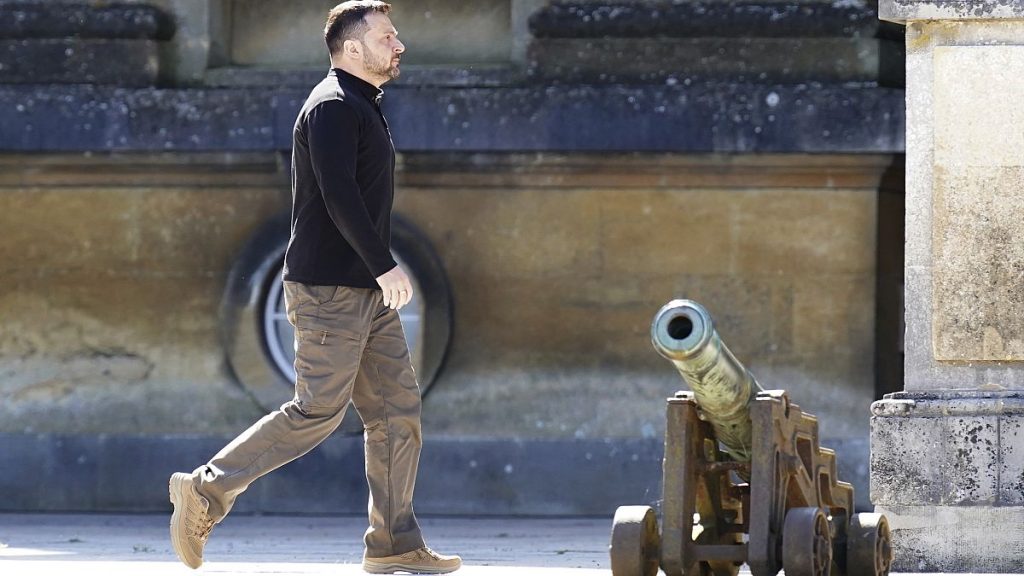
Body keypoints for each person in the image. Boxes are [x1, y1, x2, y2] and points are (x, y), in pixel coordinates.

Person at [167, 2, 461, 573]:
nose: (399, 45)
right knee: (317, 410)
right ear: (353, 48)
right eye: (386, 36)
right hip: (329, 290)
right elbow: (337, 195)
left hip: (363, 294)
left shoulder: (362, 105)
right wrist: (385, 265)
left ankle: (394, 542)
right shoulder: (331, 106)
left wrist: (376, 276)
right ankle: (205, 490)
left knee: (397, 410)